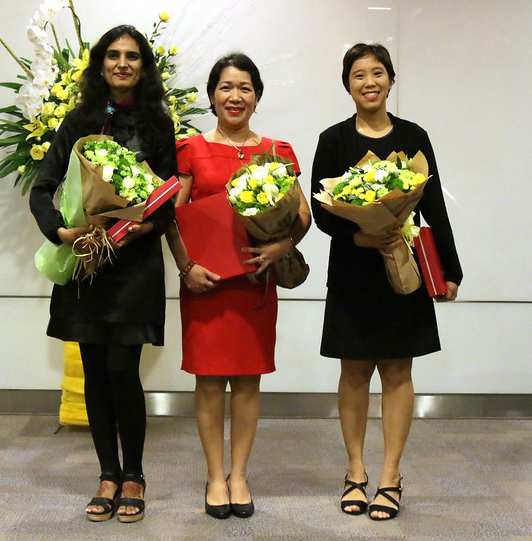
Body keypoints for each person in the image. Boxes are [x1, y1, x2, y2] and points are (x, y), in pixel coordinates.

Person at [29, 25, 177, 523]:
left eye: (132, 56)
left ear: (143, 66)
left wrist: (137, 229)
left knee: (121, 369)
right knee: (95, 372)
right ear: (100, 64)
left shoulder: (158, 125)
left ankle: (134, 472)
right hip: (86, 266)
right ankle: (107, 473)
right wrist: (62, 232)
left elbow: (167, 204)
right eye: (113, 55)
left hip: (133, 267)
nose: (122, 63)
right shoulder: (78, 121)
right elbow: (41, 188)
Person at [310, 43, 462, 520]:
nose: (368, 82)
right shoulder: (332, 139)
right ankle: (356, 471)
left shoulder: (414, 136)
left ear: (391, 80)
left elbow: (432, 203)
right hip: (354, 271)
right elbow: (320, 207)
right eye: (358, 75)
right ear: (347, 84)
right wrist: (359, 236)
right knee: (354, 372)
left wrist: (450, 269)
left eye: (377, 73)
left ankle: (391, 475)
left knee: (398, 371)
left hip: (405, 267)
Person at [166, 53, 311, 519]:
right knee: (209, 382)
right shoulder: (189, 148)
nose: (235, 96)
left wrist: (280, 247)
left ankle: (240, 475)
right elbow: (173, 216)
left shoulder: (278, 151)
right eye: (226, 87)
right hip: (206, 283)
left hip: (254, 282)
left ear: (257, 96)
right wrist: (185, 267)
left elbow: (303, 215)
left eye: (245, 87)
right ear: (212, 95)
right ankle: (214, 476)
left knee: (248, 381)